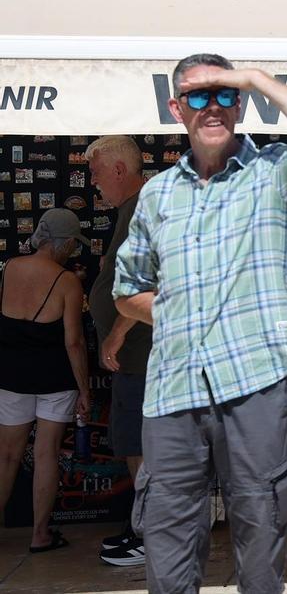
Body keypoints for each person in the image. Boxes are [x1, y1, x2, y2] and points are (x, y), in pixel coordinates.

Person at [113, 53, 287, 593]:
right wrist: (168, 310)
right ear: (176, 109)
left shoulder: (272, 173)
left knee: (261, 533)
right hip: (173, 390)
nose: (211, 107)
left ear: (240, 104)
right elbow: (128, 288)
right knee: (167, 541)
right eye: (198, 96)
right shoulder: (157, 194)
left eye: (224, 96)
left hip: (255, 382)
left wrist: (255, 79)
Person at [0, 209, 89, 554]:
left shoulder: (10, 269)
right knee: (46, 453)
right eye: (72, 244)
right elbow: (74, 342)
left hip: (11, 375)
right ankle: (40, 535)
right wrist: (84, 388)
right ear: (64, 242)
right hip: (54, 378)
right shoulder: (67, 280)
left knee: (6, 455)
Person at [84, 135, 151, 566]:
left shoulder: (144, 207)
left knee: (145, 447)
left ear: (119, 170)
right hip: (138, 358)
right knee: (136, 445)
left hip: (144, 355)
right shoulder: (134, 208)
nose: (92, 184)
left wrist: (117, 333)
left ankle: (152, 535)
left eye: (94, 174)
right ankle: (144, 528)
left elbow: (148, 277)